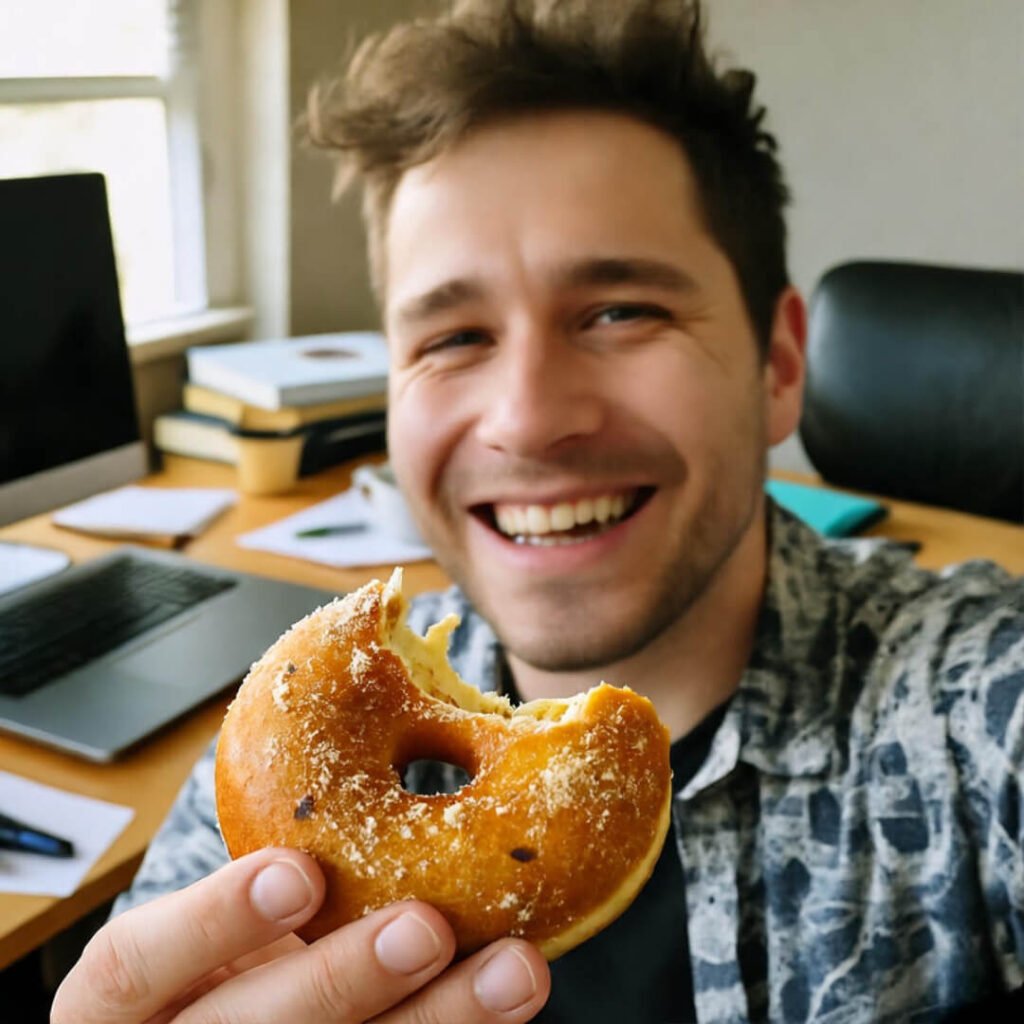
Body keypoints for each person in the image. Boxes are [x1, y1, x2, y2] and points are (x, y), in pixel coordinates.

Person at [52, 1, 1023, 1021]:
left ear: (778, 365)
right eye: (453, 337)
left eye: (620, 311)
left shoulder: (973, 707)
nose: (525, 420)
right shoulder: (281, 798)